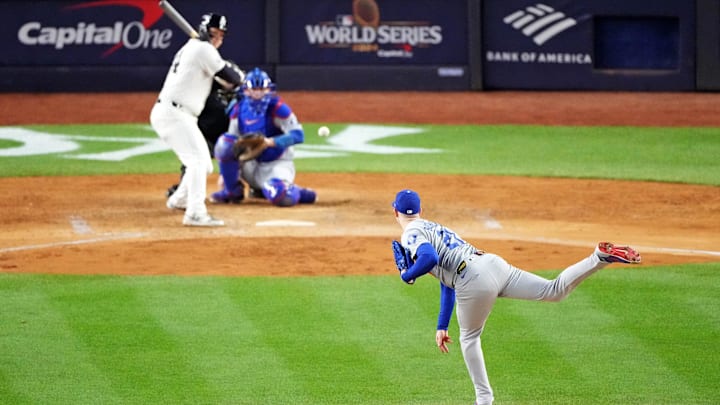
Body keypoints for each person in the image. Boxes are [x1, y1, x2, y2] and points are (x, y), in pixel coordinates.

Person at [390, 189, 642, 405]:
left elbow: (430, 259)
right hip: (492, 264)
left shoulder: (410, 232)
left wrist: (407, 275)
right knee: (553, 291)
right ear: (421, 209)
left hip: (473, 279)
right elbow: (446, 281)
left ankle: (484, 400)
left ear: (395, 212)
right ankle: (598, 258)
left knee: (469, 338)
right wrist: (442, 324)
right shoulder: (434, 226)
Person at [150, 12, 244, 226]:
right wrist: (238, 75)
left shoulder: (194, 48)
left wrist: (231, 75)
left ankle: (180, 199)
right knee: (197, 162)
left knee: (203, 165)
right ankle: (195, 213)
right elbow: (232, 78)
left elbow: (223, 80)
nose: (217, 38)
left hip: (178, 114)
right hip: (174, 114)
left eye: (221, 35)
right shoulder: (203, 49)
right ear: (204, 31)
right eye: (214, 33)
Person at [210, 67, 316, 207]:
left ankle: (300, 193)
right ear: (246, 91)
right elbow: (232, 144)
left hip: (276, 164)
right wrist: (225, 175)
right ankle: (232, 192)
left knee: (281, 197)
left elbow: (298, 135)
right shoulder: (237, 109)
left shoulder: (278, 108)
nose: (258, 94)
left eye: (262, 89)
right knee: (225, 143)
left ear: (269, 90)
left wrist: (269, 142)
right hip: (250, 164)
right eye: (254, 90)